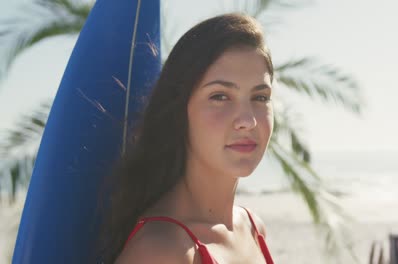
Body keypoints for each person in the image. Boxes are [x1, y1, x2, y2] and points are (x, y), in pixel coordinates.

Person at [98, 13, 275, 264]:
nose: (248, 120)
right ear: (179, 111)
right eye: (220, 96)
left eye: (260, 97)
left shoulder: (253, 228)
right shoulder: (162, 252)